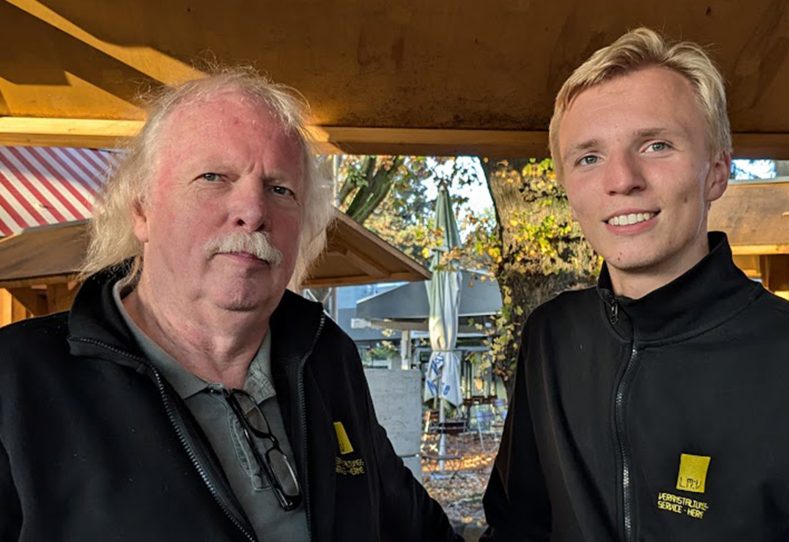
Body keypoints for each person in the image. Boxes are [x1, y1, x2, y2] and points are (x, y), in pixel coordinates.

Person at [0, 68, 461, 542]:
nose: (254, 210)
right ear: (141, 209)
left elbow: (415, 529)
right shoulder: (17, 380)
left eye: (280, 189)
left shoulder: (324, 356)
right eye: (213, 177)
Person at [481, 27, 789, 541]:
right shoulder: (551, 338)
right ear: (569, 190)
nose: (621, 179)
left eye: (656, 145)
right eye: (588, 157)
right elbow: (518, 525)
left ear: (717, 171)